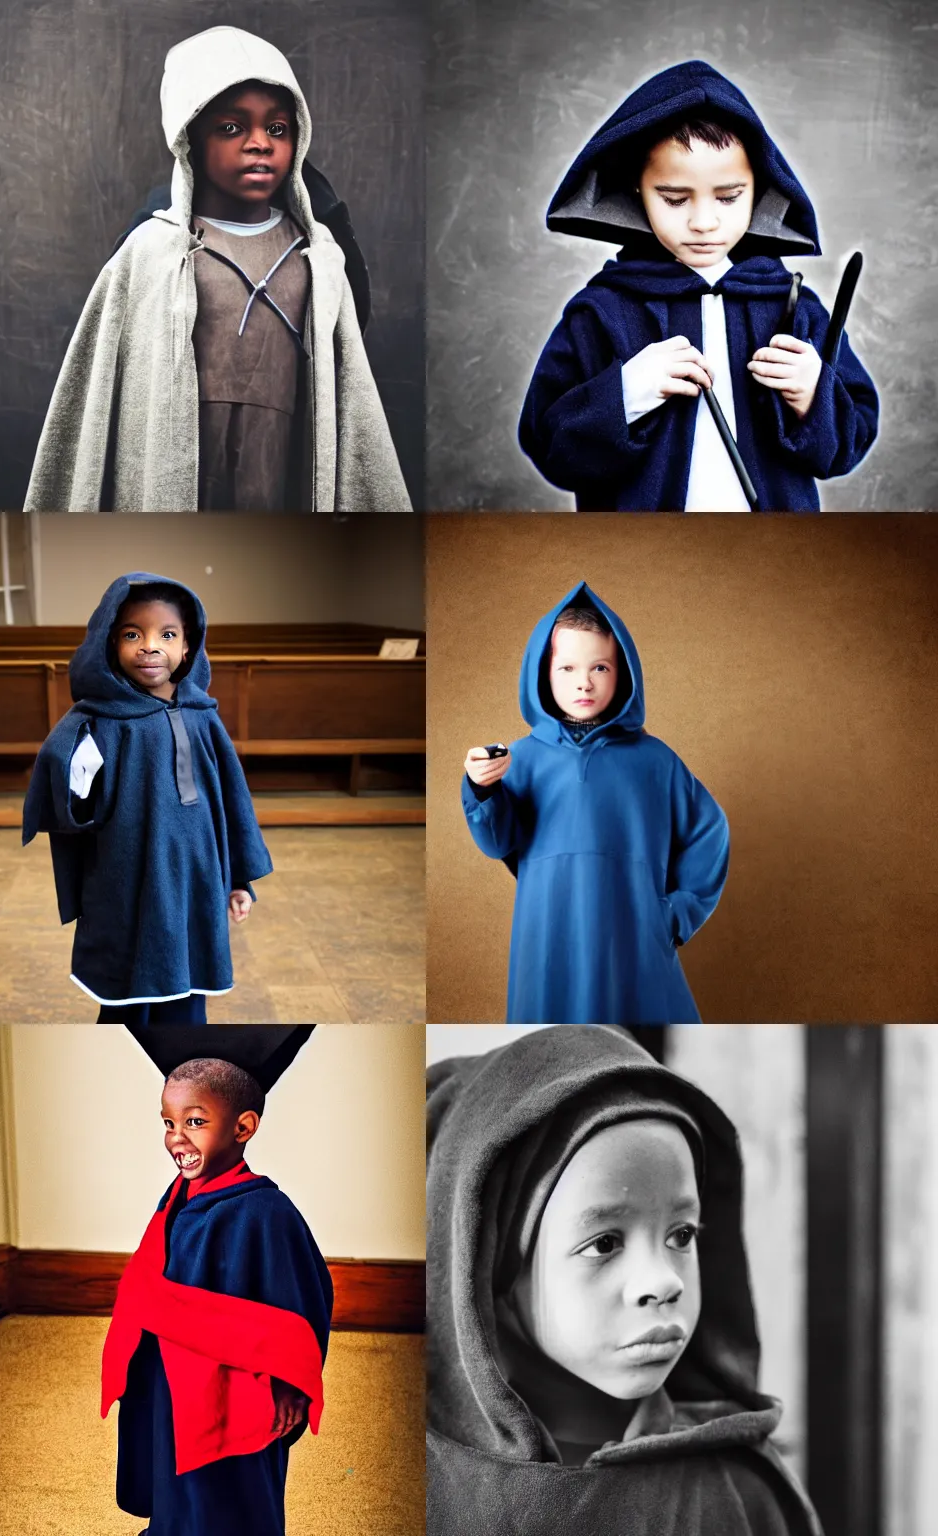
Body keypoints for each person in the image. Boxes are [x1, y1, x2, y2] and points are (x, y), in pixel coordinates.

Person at [427, 1023, 822, 1536]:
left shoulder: (741, 1489)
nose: (663, 1282)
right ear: (492, 1265)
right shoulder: (424, 1489)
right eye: (605, 1243)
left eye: (681, 1234)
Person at [24, 25, 409, 512]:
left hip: (282, 467)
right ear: (191, 138)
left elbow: (349, 404)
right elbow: (93, 405)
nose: (259, 144)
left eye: (277, 128)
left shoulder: (321, 257)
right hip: (175, 470)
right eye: (232, 128)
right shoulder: (151, 253)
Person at [518, 59, 877, 511]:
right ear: (637, 190)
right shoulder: (601, 310)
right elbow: (549, 446)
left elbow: (850, 442)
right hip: (644, 564)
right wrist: (626, 393)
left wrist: (813, 394)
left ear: (761, 188)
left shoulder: (796, 307)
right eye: (673, 198)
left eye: (728, 197)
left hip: (770, 562)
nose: (704, 222)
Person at [462, 583, 728, 1023]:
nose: (583, 682)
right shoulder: (520, 758)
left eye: (600, 667)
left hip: (633, 936)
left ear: (622, 673)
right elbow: (496, 841)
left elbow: (709, 831)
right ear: (543, 673)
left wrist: (674, 916)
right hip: (548, 931)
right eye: (566, 667)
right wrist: (482, 786)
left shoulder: (655, 761)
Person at [104, 1026, 333, 1536]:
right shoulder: (177, 1198)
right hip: (171, 1376)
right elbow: (149, 1281)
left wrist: (292, 1386)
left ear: (243, 1126)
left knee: (230, 1488)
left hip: (237, 1391)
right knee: (174, 1475)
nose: (176, 1138)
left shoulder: (265, 1213)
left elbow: (301, 1308)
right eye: (168, 1122)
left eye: (196, 1121)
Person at [22, 573, 271, 1023]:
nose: (150, 646)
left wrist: (238, 879)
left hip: (195, 882)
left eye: (167, 635)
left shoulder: (202, 718)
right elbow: (72, 804)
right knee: (128, 998)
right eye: (132, 634)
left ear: (187, 648)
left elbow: (230, 805)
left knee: (188, 998)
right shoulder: (99, 721)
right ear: (109, 643)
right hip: (129, 881)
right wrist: (76, 775)